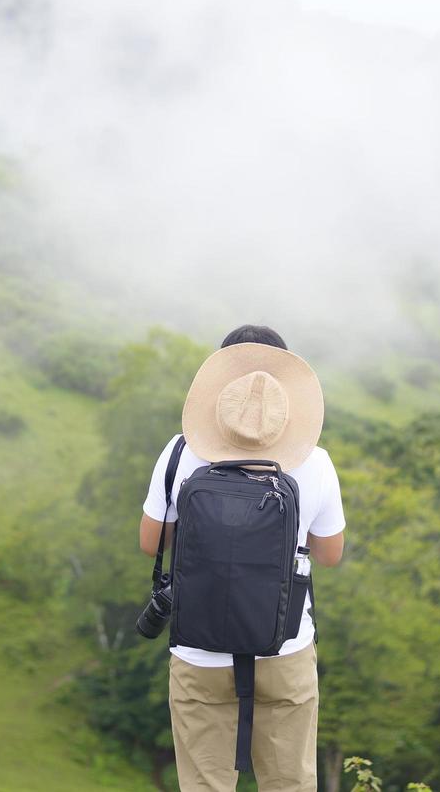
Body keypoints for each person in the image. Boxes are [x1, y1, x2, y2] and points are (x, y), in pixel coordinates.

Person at [140, 324, 346, 792]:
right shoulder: (314, 461)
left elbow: (151, 542)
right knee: (289, 784)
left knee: (205, 786)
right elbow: (330, 554)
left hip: (198, 650)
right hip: (285, 645)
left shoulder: (179, 454)